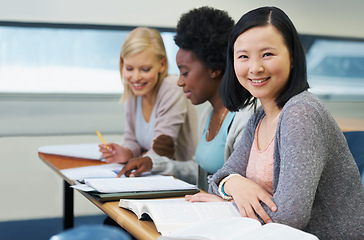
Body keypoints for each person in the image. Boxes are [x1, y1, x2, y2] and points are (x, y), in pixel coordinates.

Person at [186, 6, 364, 239]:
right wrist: (233, 183)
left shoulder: (301, 113)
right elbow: (219, 178)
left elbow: (290, 217)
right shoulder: (259, 116)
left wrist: (227, 204)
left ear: (292, 57)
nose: (255, 67)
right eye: (243, 56)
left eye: (267, 54)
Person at [118, 7, 254, 189]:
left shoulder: (245, 117)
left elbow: (242, 186)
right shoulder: (209, 114)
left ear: (214, 68)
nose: (180, 82)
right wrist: (153, 164)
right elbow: (198, 170)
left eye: (185, 72)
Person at [99, 27, 198, 167]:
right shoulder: (133, 90)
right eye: (129, 68)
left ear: (162, 65)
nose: (136, 78)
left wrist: (138, 161)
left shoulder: (171, 88)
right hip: (153, 173)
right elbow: (131, 140)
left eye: (145, 69)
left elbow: (163, 151)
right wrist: (126, 152)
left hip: (180, 177)